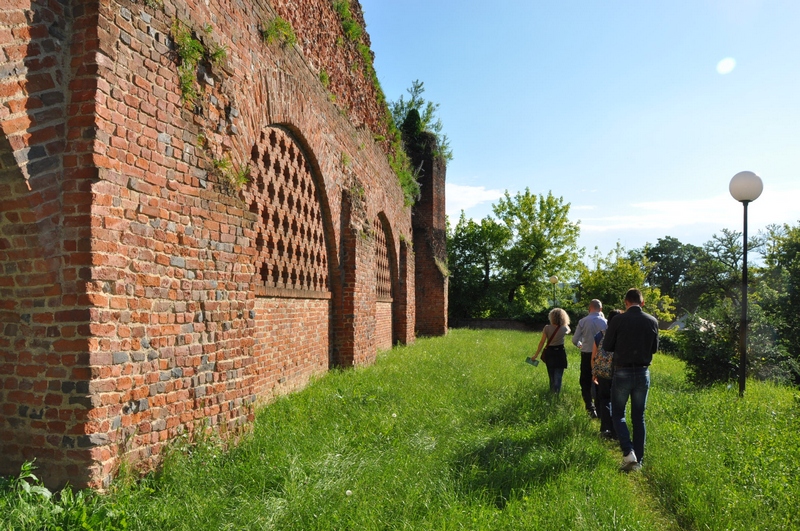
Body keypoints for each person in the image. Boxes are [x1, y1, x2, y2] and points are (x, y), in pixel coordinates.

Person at [603, 288, 659, 472]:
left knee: (618, 413)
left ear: (626, 302)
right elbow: (654, 349)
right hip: (643, 372)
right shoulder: (652, 321)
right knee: (638, 417)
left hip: (622, 371)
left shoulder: (618, 320)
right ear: (642, 303)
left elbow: (608, 346)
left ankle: (628, 452)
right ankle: (639, 461)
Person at [572, 299, 607, 417]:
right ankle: (600, 409)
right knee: (600, 382)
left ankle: (590, 408)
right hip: (601, 356)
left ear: (589, 308)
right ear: (601, 309)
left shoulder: (582, 321)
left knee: (585, 381)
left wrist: (580, 345)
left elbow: (574, 340)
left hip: (586, 354)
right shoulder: (606, 322)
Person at [592, 309, 622, 440]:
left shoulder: (600, 335)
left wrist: (594, 372)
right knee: (618, 402)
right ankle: (617, 431)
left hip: (603, 372)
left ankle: (605, 428)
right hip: (619, 372)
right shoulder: (623, 336)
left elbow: (594, 356)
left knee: (604, 399)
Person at [530, 308, 571, 394]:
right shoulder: (564, 328)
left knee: (551, 375)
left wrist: (536, 355)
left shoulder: (547, 328)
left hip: (550, 353)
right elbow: (569, 329)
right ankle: (556, 394)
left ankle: (552, 393)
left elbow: (542, 342)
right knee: (558, 375)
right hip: (560, 352)